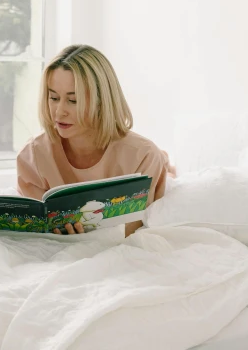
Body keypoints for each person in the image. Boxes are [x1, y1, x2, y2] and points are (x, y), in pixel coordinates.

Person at [17, 45, 171, 236]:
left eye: (73, 101)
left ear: (101, 100)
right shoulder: (32, 155)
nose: (59, 111)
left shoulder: (144, 157)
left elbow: (132, 229)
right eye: (53, 97)